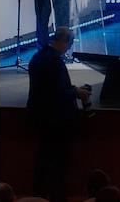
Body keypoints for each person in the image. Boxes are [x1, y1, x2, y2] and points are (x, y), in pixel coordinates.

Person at [26, 26, 91, 202]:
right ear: (64, 41)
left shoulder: (38, 57)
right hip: (56, 121)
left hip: (41, 118)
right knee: (58, 165)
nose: (69, 47)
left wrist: (72, 90)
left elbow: (50, 89)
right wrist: (76, 92)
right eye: (70, 43)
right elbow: (56, 93)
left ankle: (39, 195)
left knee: (43, 160)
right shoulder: (53, 62)